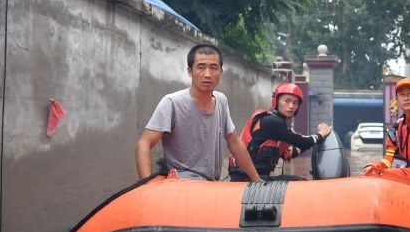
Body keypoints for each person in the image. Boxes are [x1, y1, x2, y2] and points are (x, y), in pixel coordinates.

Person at [135, 43, 261, 182]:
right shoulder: (172, 103)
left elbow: (235, 143)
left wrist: (257, 180)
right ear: (190, 71)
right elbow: (144, 143)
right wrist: (146, 187)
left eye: (213, 68)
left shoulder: (221, 101)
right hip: (180, 185)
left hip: (210, 185)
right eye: (201, 67)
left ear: (221, 72)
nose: (207, 74)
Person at [228, 82, 332, 181]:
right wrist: (321, 134)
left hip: (254, 178)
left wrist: (311, 143)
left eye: (295, 103)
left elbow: (288, 154)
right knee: (299, 182)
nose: (291, 106)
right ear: (276, 101)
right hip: (248, 179)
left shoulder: (276, 125)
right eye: (287, 101)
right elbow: (302, 141)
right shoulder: (272, 122)